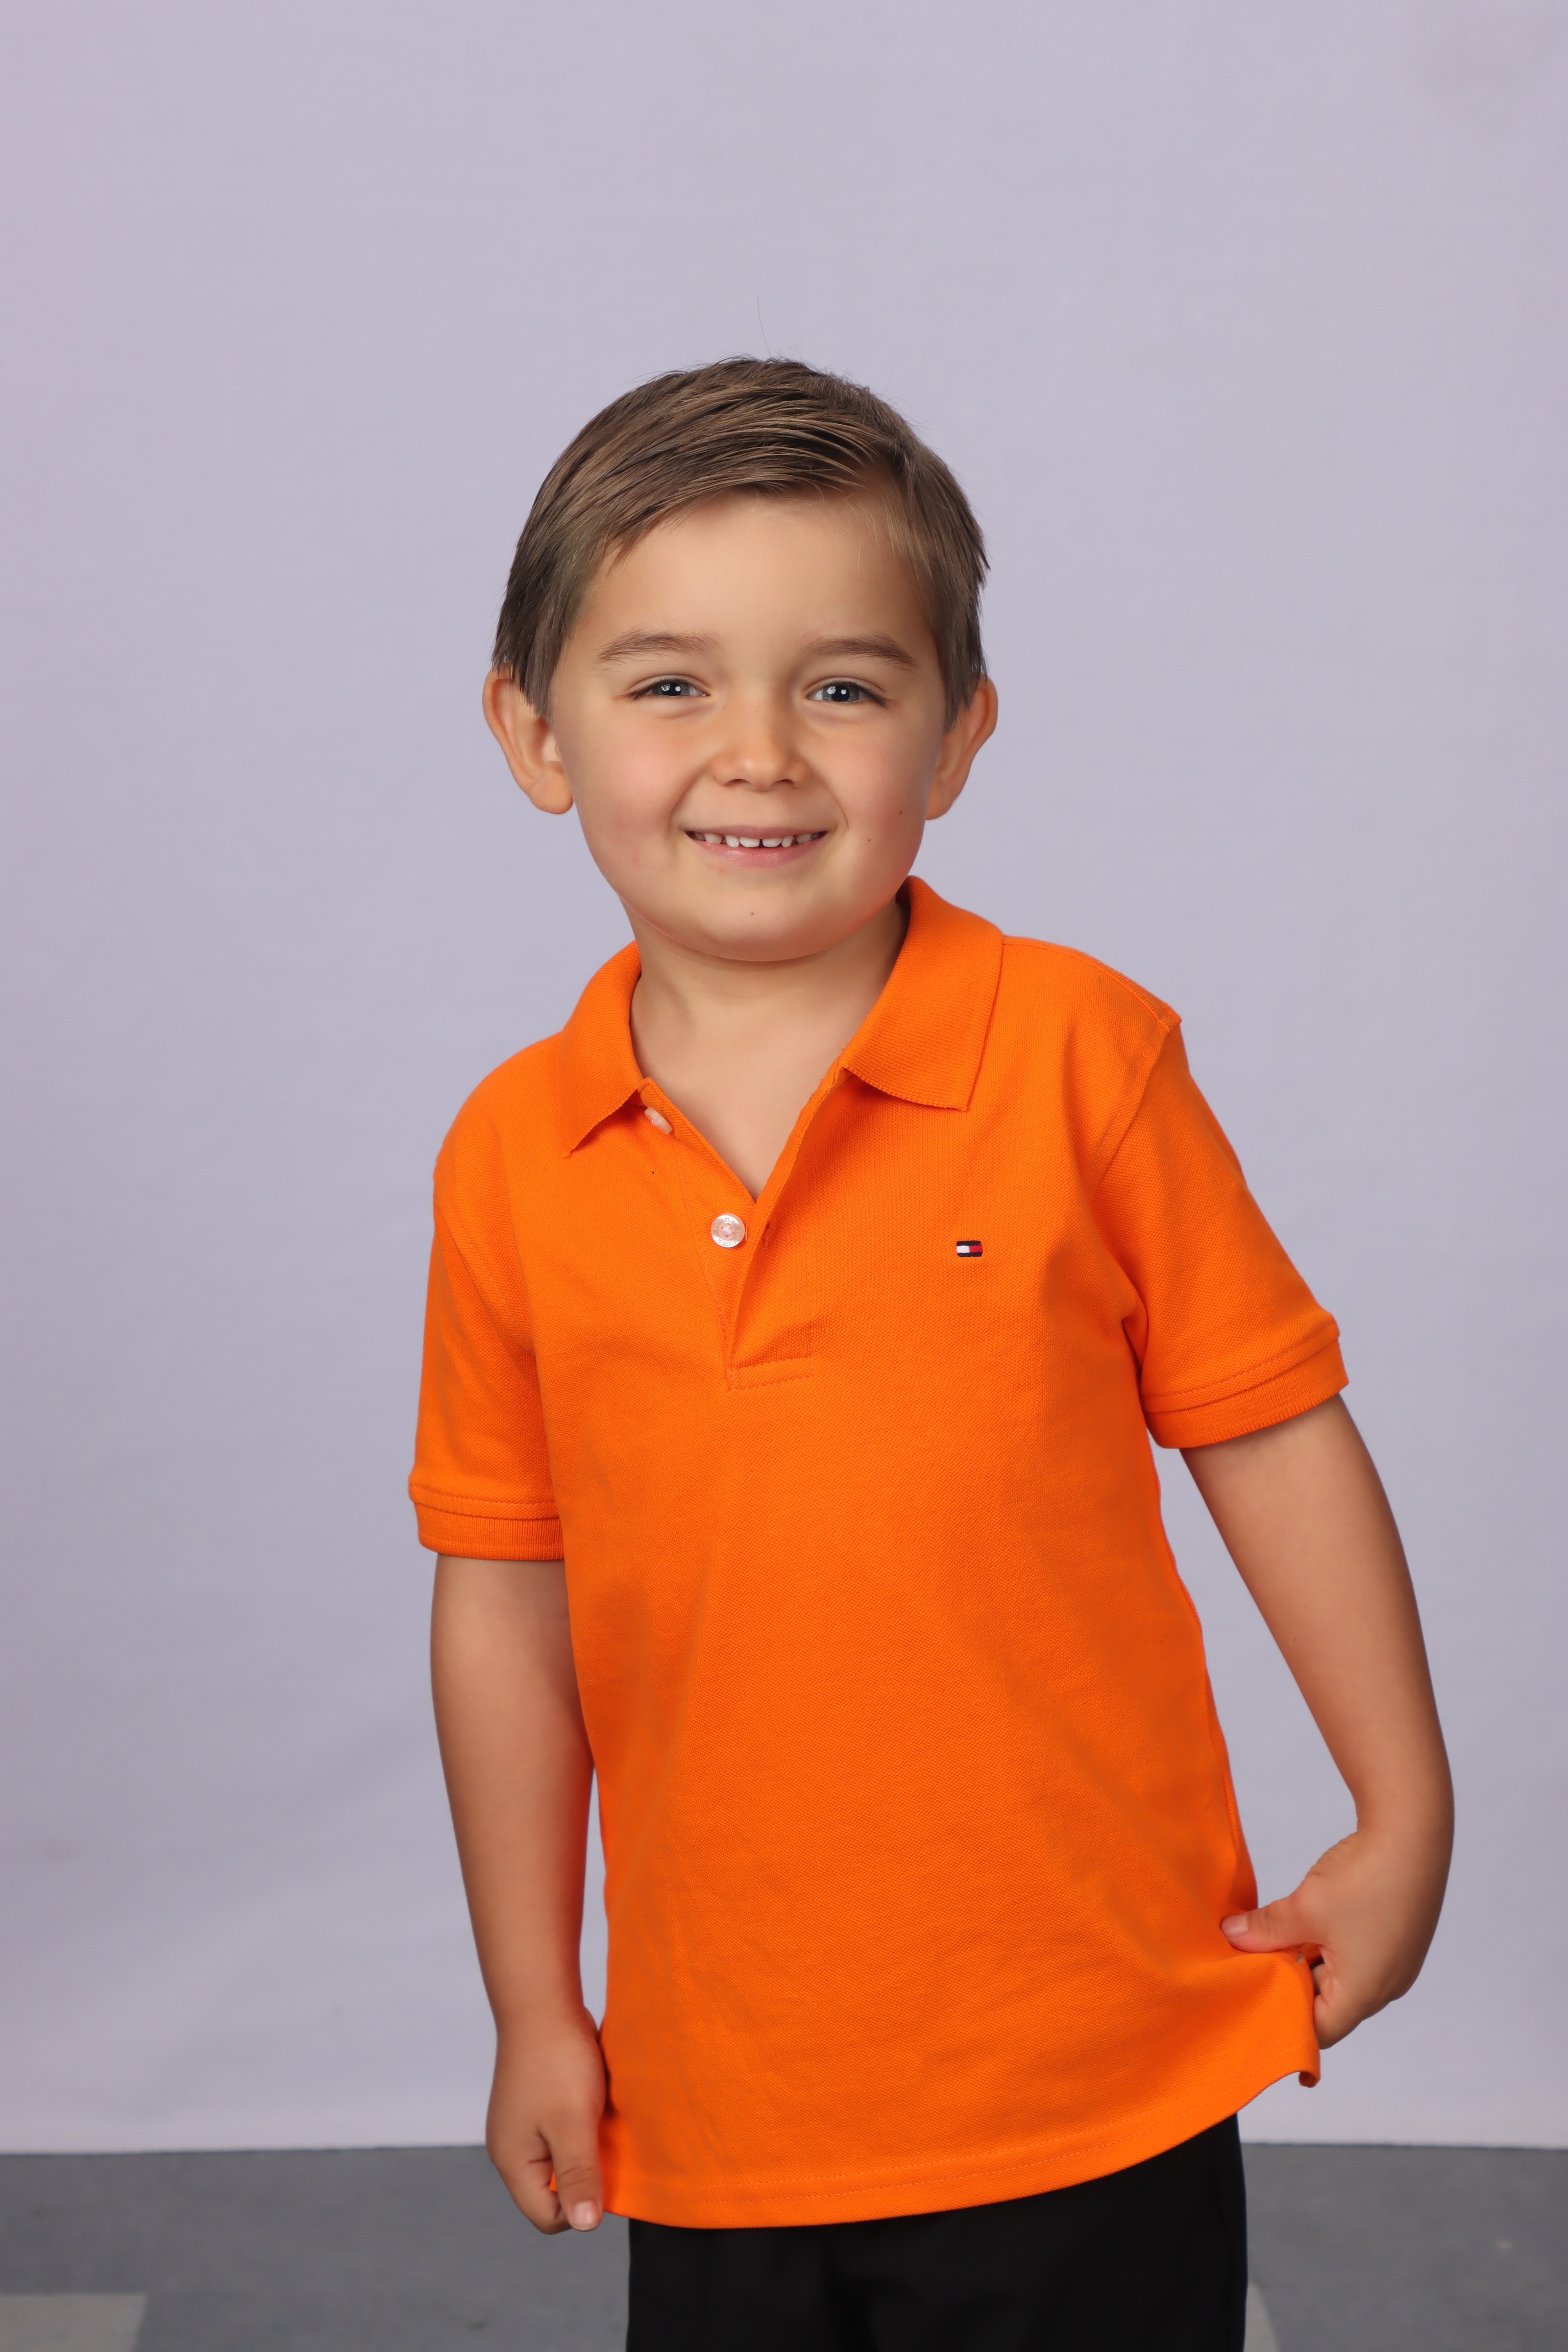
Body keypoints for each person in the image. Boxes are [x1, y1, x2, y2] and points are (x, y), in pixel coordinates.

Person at [410, 357, 1452, 2351]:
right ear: (533, 734)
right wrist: (534, 2003)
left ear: (957, 733)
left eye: (841, 685)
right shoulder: (509, 1155)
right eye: (668, 683)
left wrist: (1400, 1811)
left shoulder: (1080, 1057)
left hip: (1093, 2066)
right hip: (721, 2093)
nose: (758, 755)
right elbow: (504, 1594)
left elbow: (1271, 1435)